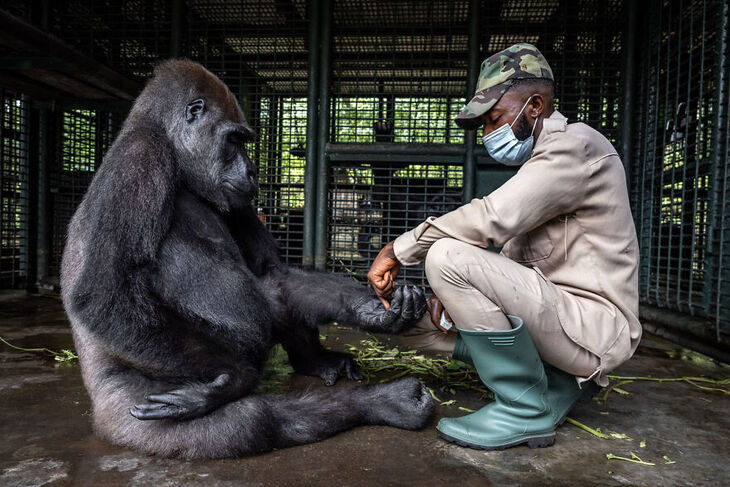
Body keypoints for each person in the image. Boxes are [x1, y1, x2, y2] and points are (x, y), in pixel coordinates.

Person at [366, 43, 641, 450]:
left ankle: (524, 410)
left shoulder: (574, 147)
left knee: (446, 256)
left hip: (591, 328)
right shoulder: (540, 162)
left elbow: (491, 218)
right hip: (557, 318)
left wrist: (397, 249)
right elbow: (513, 257)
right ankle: (555, 383)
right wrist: (457, 297)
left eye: (496, 119)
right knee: (414, 325)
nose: (490, 133)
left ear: (534, 106)